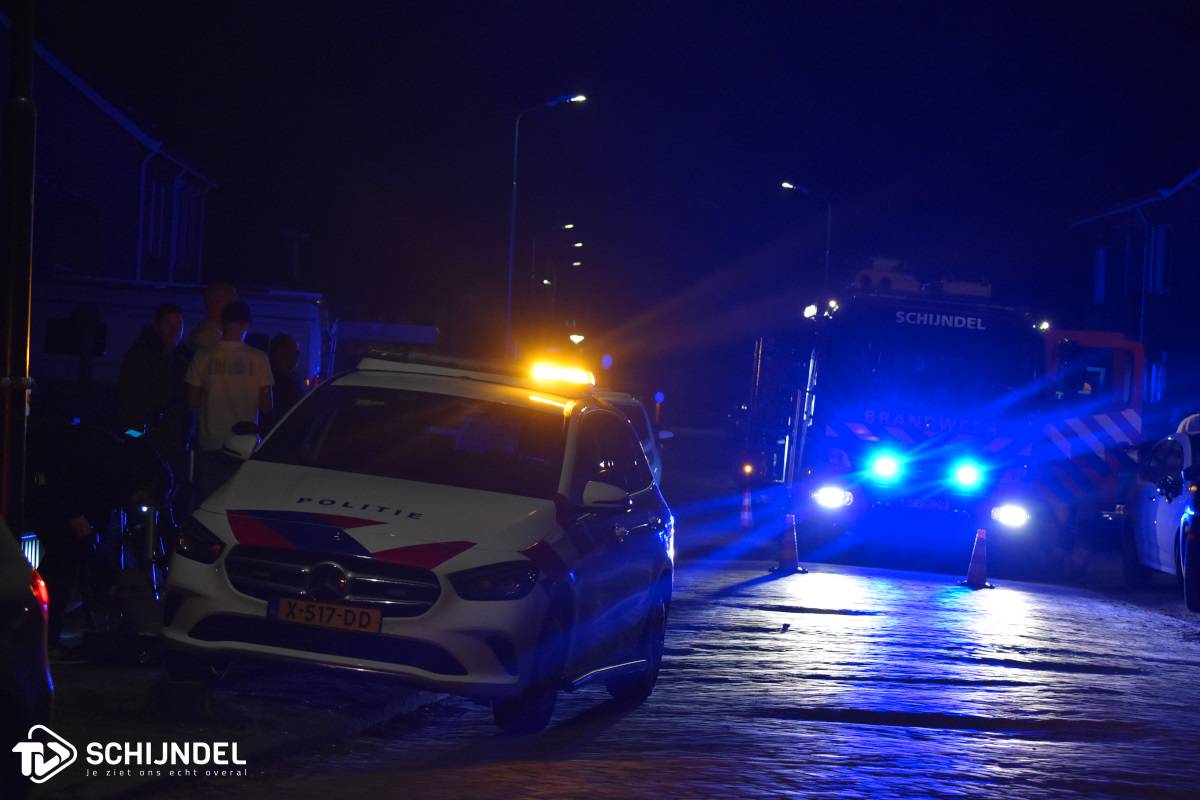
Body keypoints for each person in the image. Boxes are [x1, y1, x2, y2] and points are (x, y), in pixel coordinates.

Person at [25, 417, 173, 660]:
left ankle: (43, 634)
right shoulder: (108, 459)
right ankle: (41, 635)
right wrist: (73, 513)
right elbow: (63, 472)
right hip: (47, 491)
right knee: (61, 564)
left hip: (61, 500)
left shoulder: (118, 477)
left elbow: (99, 528)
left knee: (64, 562)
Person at [186, 300, 273, 503]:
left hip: (210, 443)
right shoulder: (259, 358)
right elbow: (267, 405)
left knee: (208, 502)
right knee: (238, 503)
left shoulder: (203, 356)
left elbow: (192, 400)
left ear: (223, 323)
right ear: (246, 324)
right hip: (245, 445)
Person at [117, 303, 191, 511]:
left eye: (178, 324)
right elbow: (128, 399)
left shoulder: (185, 357)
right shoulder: (139, 355)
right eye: (168, 324)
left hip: (174, 438)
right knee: (144, 487)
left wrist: (187, 433)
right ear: (157, 325)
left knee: (172, 489)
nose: (174, 330)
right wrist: (134, 434)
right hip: (145, 436)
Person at [265, 333, 305, 431]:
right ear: (280, 353)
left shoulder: (294, 380)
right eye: (293, 350)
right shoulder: (267, 381)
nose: (297, 355)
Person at [187, 283, 237, 353]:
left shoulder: (217, 334)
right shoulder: (206, 337)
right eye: (229, 304)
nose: (234, 310)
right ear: (214, 304)